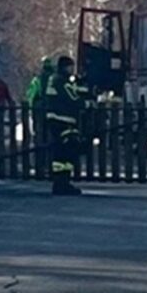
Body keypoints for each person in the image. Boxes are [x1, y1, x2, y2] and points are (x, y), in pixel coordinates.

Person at [45, 56, 83, 196]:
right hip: (63, 121)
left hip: (57, 120)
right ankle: (63, 183)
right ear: (63, 67)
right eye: (69, 67)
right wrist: (87, 103)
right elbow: (73, 98)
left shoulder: (54, 80)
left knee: (61, 152)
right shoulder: (61, 81)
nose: (71, 70)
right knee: (67, 150)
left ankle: (60, 182)